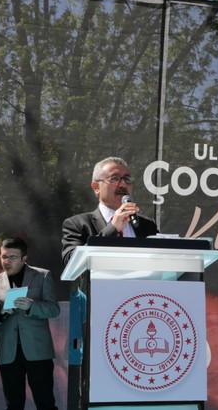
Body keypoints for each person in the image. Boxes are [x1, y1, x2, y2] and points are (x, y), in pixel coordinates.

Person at [0, 237, 60, 410]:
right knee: (13, 405)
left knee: (46, 403)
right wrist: (1, 313)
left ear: (24, 258)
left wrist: (31, 306)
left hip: (37, 351)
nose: (6, 261)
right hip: (7, 353)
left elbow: (54, 309)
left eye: (12, 257)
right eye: (4, 256)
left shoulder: (42, 275)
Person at [61, 156, 159, 266]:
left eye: (127, 179)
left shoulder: (147, 225)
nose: (123, 184)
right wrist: (112, 229)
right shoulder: (77, 224)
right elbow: (71, 262)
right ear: (96, 187)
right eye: (114, 179)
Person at [66, 277, 86, 410]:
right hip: (57, 350)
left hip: (75, 349)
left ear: (81, 277)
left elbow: (84, 325)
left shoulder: (82, 298)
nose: (73, 279)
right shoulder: (61, 295)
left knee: (74, 388)